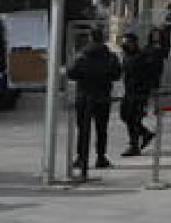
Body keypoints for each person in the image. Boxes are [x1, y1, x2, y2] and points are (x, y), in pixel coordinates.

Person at [67, 30, 123, 176]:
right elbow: (117, 75)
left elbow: (71, 73)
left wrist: (85, 76)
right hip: (102, 96)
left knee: (83, 129)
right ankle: (101, 157)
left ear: (90, 39)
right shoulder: (110, 56)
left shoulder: (82, 56)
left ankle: (81, 157)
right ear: (103, 39)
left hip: (84, 96)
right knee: (101, 129)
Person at [119, 33, 156, 156]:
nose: (125, 44)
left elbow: (148, 75)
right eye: (124, 42)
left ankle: (134, 145)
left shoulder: (142, 57)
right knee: (125, 116)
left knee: (133, 119)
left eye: (127, 42)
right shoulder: (127, 56)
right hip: (129, 91)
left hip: (138, 93)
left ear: (133, 43)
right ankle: (145, 134)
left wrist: (145, 92)